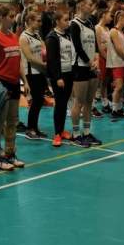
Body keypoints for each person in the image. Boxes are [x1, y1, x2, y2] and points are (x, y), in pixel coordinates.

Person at [0, 5, 28, 170]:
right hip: (2, 83)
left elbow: (18, 62)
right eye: (10, 16)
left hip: (14, 83)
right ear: (1, 18)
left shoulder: (14, 36)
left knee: (12, 121)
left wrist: (25, 81)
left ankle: (10, 153)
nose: (13, 19)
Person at [69, 0, 102, 148]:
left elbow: (95, 45)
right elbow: (78, 47)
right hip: (80, 67)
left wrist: (96, 60)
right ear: (81, 6)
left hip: (92, 67)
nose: (91, 7)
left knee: (89, 102)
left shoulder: (90, 23)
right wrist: (89, 63)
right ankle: (76, 135)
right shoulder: (74, 24)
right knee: (79, 102)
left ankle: (87, 133)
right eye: (89, 4)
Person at [46, 10, 76, 147]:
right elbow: (52, 60)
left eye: (68, 19)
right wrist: (57, 77)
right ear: (57, 21)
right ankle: (57, 133)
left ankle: (62, 130)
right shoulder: (52, 37)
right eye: (65, 20)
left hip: (69, 73)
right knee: (59, 104)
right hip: (59, 75)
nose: (68, 22)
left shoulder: (68, 35)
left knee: (64, 103)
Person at [20, 11, 48, 139]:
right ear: (30, 21)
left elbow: (44, 50)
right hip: (31, 72)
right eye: (38, 21)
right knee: (36, 100)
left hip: (40, 71)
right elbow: (29, 57)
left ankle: (35, 128)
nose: (40, 23)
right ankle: (30, 129)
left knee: (40, 100)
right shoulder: (24, 37)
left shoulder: (37, 35)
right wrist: (44, 64)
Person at [107, 10, 124, 119]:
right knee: (119, 86)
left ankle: (119, 108)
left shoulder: (122, 32)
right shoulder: (113, 31)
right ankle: (114, 110)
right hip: (117, 62)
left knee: (122, 86)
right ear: (121, 18)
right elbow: (118, 48)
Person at [95, 8, 112, 113]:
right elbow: (99, 47)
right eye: (109, 16)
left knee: (106, 81)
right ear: (103, 15)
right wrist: (106, 58)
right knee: (100, 81)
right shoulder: (98, 28)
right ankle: (102, 102)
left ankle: (105, 100)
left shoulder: (107, 28)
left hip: (109, 56)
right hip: (103, 57)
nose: (111, 18)